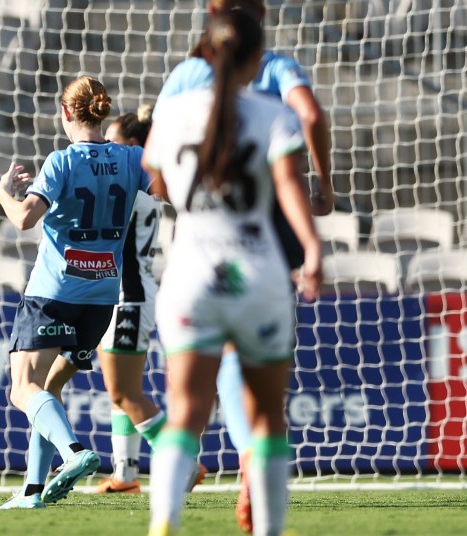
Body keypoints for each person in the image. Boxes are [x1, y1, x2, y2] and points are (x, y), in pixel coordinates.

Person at [156, 0, 333, 530]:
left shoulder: (175, 110)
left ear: (206, 52)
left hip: (191, 273)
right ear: (258, 58)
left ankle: (163, 523)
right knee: (267, 417)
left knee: (185, 412)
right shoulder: (273, 114)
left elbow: (155, 176)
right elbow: (289, 186)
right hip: (257, 271)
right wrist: (313, 248)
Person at [0, 76, 150, 509]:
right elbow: (174, 192)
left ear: (66, 112)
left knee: (22, 389)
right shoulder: (131, 158)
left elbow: (24, 219)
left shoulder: (61, 161)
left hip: (54, 293)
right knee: (48, 390)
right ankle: (32, 491)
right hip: (101, 299)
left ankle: (74, 452)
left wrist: (3, 193)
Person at [92, 106, 204, 495]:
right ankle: (125, 473)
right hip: (116, 293)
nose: (105, 148)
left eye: (113, 141)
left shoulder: (130, 184)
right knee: (120, 390)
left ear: (134, 147)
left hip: (129, 296)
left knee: (125, 391)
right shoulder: (137, 182)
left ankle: (184, 463)